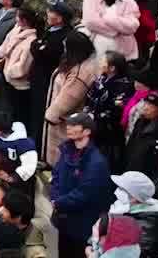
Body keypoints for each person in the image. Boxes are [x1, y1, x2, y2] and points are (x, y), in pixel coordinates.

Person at [51, 110, 115, 258]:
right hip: (63, 218)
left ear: (87, 131)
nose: (69, 127)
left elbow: (85, 193)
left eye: (74, 125)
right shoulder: (67, 150)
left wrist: (58, 202)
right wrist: (55, 198)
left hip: (82, 225)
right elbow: (56, 176)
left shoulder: (96, 162)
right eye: (68, 124)